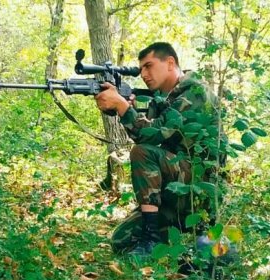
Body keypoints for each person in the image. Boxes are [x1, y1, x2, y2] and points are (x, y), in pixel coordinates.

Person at [94, 42, 220, 257]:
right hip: (174, 189)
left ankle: (153, 239)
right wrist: (126, 109)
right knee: (121, 240)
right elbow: (149, 136)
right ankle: (174, 235)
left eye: (148, 66)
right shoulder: (163, 98)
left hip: (198, 191)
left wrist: (123, 108)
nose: (143, 73)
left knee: (141, 152)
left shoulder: (195, 92)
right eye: (141, 68)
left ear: (170, 63)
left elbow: (149, 140)